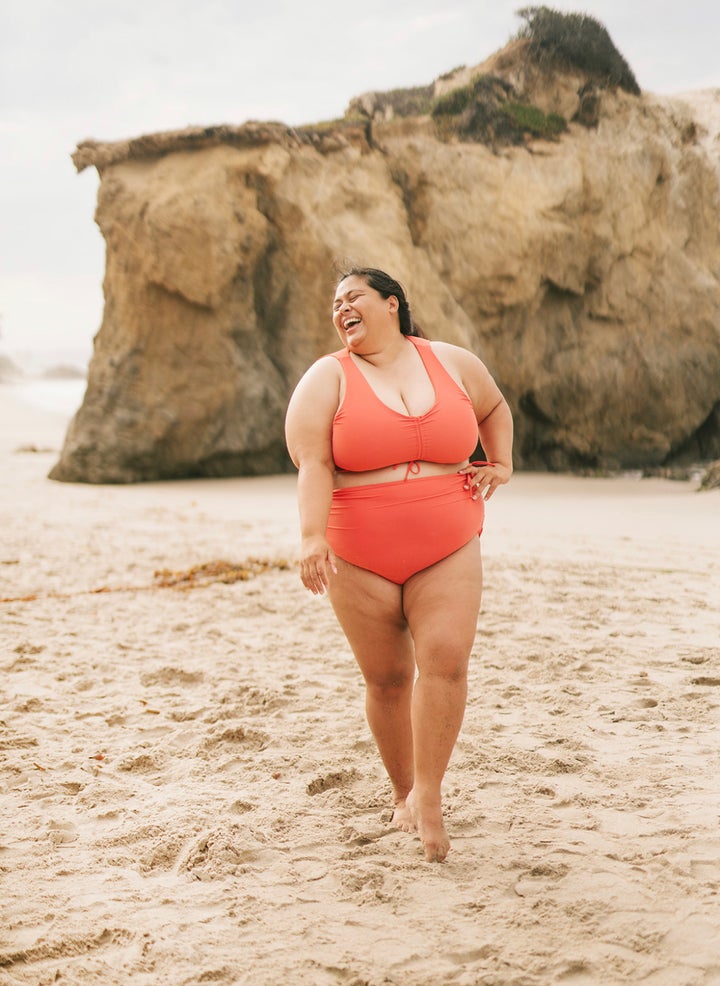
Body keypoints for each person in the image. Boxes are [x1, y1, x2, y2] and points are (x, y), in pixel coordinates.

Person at [284, 267, 513, 862]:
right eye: (334, 303)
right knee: (387, 679)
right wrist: (312, 538)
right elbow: (313, 464)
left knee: (445, 660)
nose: (341, 309)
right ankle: (402, 791)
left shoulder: (453, 362)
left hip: (450, 540)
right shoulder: (325, 378)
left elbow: (494, 407)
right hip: (359, 552)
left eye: (352, 296)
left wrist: (501, 463)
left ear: (392, 304)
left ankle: (429, 793)